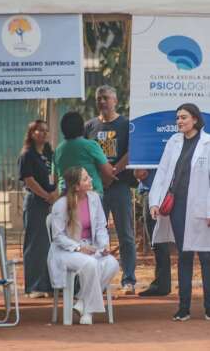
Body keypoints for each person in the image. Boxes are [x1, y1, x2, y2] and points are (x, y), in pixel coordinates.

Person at [149, 103, 210, 321]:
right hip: (178, 208)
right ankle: (184, 308)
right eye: (177, 118)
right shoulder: (173, 142)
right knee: (184, 256)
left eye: (183, 117)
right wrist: (155, 201)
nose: (179, 122)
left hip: (202, 208)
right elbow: (163, 173)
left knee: (207, 256)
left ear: (195, 119)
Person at [47, 167, 119, 325]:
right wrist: (78, 248)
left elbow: (101, 226)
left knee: (112, 263)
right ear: (76, 186)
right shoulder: (61, 204)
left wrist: (103, 245)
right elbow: (58, 237)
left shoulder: (94, 198)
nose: (91, 180)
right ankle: (88, 312)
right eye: (86, 178)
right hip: (66, 251)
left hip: (90, 247)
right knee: (91, 263)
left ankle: (82, 304)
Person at [84, 85, 137, 294]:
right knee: (97, 234)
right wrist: (101, 176)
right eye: (99, 99)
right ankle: (100, 280)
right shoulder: (89, 126)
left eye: (106, 98)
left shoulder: (125, 124)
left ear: (115, 100)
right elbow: (86, 153)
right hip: (97, 190)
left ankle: (129, 279)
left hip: (120, 186)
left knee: (126, 234)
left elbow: (133, 151)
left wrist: (113, 171)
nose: (102, 102)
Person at [18, 120, 57, 298]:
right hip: (36, 202)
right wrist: (45, 195)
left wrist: (54, 193)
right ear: (31, 133)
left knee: (49, 244)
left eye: (46, 131)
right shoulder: (27, 155)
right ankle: (34, 285)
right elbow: (29, 180)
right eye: (39, 130)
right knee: (35, 244)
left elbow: (57, 173)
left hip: (50, 202)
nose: (43, 134)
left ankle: (47, 284)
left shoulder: (49, 153)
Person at [53, 112, 116, 197]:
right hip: (90, 195)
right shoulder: (90, 145)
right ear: (82, 127)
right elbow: (108, 172)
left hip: (66, 195)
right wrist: (104, 183)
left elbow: (55, 179)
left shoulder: (58, 149)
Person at [134, 169, 171, 297]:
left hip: (154, 191)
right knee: (158, 240)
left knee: (157, 240)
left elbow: (140, 172)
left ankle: (161, 284)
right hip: (161, 190)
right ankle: (162, 283)